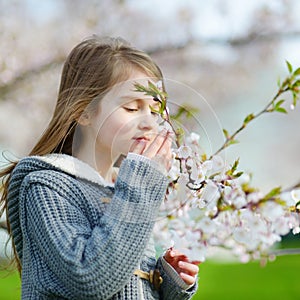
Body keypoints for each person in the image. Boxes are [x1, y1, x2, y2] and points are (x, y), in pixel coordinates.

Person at [0, 36, 199, 299]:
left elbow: (127, 287)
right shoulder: (47, 187)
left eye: (154, 110)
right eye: (132, 107)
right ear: (84, 111)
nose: (149, 123)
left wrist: (166, 279)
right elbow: (90, 280)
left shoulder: (124, 187)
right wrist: (141, 184)